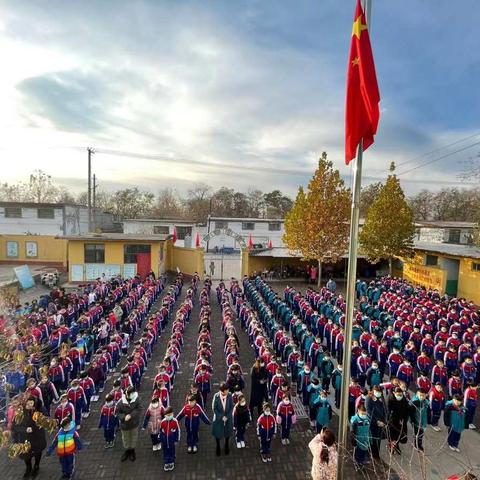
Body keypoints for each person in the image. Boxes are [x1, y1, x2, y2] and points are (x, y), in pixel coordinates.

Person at [11, 397, 48, 478]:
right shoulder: (20, 412)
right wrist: (25, 429)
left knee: (37, 452)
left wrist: (33, 428)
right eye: (27, 403)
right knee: (26, 454)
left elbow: (45, 422)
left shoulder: (40, 410)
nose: (29, 405)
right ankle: (28, 467)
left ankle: (36, 466)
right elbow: (14, 426)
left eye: (31, 403)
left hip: (37, 437)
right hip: (25, 438)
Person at [115, 386, 141, 462]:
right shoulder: (120, 402)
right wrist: (123, 417)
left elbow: (139, 409)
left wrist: (131, 415)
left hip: (134, 423)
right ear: (126, 394)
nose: (132, 395)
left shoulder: (137, 399)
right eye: (131, 393)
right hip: (124, 425)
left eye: (133, 393)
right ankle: (127, 450)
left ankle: (132, 450)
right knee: (125, 438)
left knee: (134, 437)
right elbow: (116, 412)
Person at [211, 383, 234, 456]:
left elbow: (231, 407)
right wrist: (221, 417)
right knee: (218, 433)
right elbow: (214, 408)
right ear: (222, 391)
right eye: (227, 390)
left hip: (228, 418)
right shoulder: (216, 396)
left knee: (227, 432)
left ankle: (226, 445)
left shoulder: (230, 395)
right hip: (218, 419)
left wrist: (227, 416)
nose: (228, 391)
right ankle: (218, 446)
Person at [365, 386, 387, 459]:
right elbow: (368, 412)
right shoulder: (369, 398)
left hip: (381, 423)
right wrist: (376, 421)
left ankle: (376, 454)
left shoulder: (381, 398)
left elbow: (385, 410)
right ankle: (370, 454)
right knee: (372, 439)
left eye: (380, 392)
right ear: (373, 391)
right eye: (377, 391)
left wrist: (384, 420)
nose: (378, 393)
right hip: (372, 422)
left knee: (378, 439)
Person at [387, 387, 409, 454]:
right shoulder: (390, 400)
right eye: (398, 394)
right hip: (392, 421)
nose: (399, 396)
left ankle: (397, 446)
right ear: (394, 393)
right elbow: (388, 412)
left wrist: (404, 420)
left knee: (399, 435)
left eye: (400, 395)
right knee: (392, 435)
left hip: (401, 421)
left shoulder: (404, 400)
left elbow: (406, 411)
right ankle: (391, 447)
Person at [159, 406, 180, 471]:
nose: (168, 416)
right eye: (167, 415)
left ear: (172, 414)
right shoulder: (163, 422)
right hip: (164, 441)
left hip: (171, 441)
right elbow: (161, 431)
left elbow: (178, 430)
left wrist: (177, 439)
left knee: (172, 451)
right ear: (165, 415)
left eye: (170, 415)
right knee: (165, 452)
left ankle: (171, 462)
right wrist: (161, 438)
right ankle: (166, 462)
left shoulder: (175, 421)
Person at [351, 404, 371, 470]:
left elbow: (369, 431)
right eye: (362, 413)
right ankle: (356, 464)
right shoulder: (355, 421)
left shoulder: (367, 419)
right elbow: (352, 433)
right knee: (357, 454)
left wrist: (370, 440)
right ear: (358, 411)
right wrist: (354, 442)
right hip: (358, 441)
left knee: (363, 453)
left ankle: (361, 463)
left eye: (365, 414)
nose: (364, 415)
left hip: (365, 441)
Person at [409, 388, 429, 452]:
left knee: (421, 434)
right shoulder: (414, 402)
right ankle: (416, 445)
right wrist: (413, 421)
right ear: (417, 394)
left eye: (423, 395)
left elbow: (427, 412)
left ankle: (419, 444)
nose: (422, 397)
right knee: (416, 434)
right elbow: (411, 414)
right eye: (420, 395)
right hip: (416, 422)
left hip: (423, 421)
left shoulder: (426, 402)